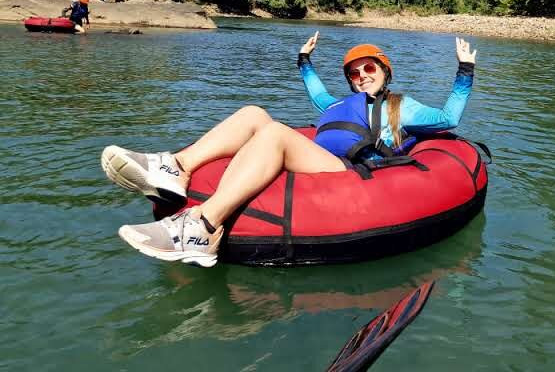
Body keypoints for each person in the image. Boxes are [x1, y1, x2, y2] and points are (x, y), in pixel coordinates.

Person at [101, 33, 477, 267]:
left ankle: (203, 227)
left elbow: (447, 118)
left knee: (276, 134)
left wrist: (464, 71)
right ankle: (176, 166)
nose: (361, 76)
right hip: (321, 160)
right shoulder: (335, 105)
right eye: (354, 73)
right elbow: (315, 90)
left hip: (351, 172)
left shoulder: (401, 107)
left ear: (385, 72)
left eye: (369, 69)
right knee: (254, 114)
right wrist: (304, 60)